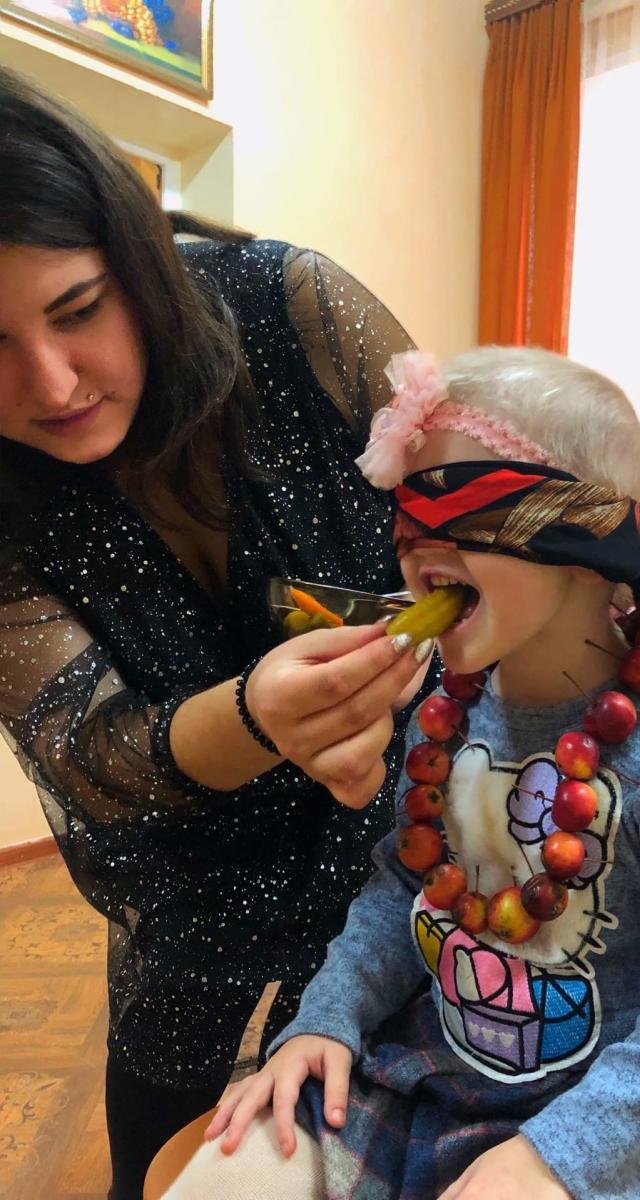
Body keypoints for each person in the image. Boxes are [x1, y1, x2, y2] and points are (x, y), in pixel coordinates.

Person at [173, 347, 640, 1200]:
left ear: (585, 539)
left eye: (461, 508)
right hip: (435, 1071)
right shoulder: (445, 713)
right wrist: (327, 1018)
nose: (419, 544)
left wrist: (554, 1156)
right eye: (407, 515)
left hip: (626, 1114)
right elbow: (403, 892)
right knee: (225, 1176)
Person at [0, 65, 433, 1200]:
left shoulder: (293, 306)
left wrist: (425, 644)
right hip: (187, 862)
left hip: (406, 820)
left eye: (79, 310)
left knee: (333, 1122)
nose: (52, 383)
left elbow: (477, 516)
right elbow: (84, 750)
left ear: (139, 260)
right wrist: (259, 719)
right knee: (157, 1135)